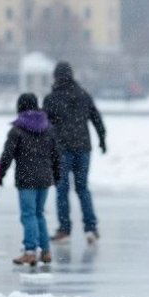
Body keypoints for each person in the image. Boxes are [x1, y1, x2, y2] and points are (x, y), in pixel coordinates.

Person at [43, 62, 106, 244]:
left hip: (61, 150)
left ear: (55, 76)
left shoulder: (51, 99)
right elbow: (96, 118)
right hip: (83, 148)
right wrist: (102, 139)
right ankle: (91, 228)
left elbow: (44, 126)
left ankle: (64, 230)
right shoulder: (83, 95)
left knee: (62, 190)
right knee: (83, 189)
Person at [0, 93, 61, 266]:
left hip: (26, 179)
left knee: (28, 215)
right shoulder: (48, 128)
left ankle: (30, 251)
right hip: (45, 178)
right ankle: (46, 251)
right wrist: (57, 175)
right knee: (39, 214)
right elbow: (56, 155)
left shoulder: (17, 130)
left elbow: (7, 156)